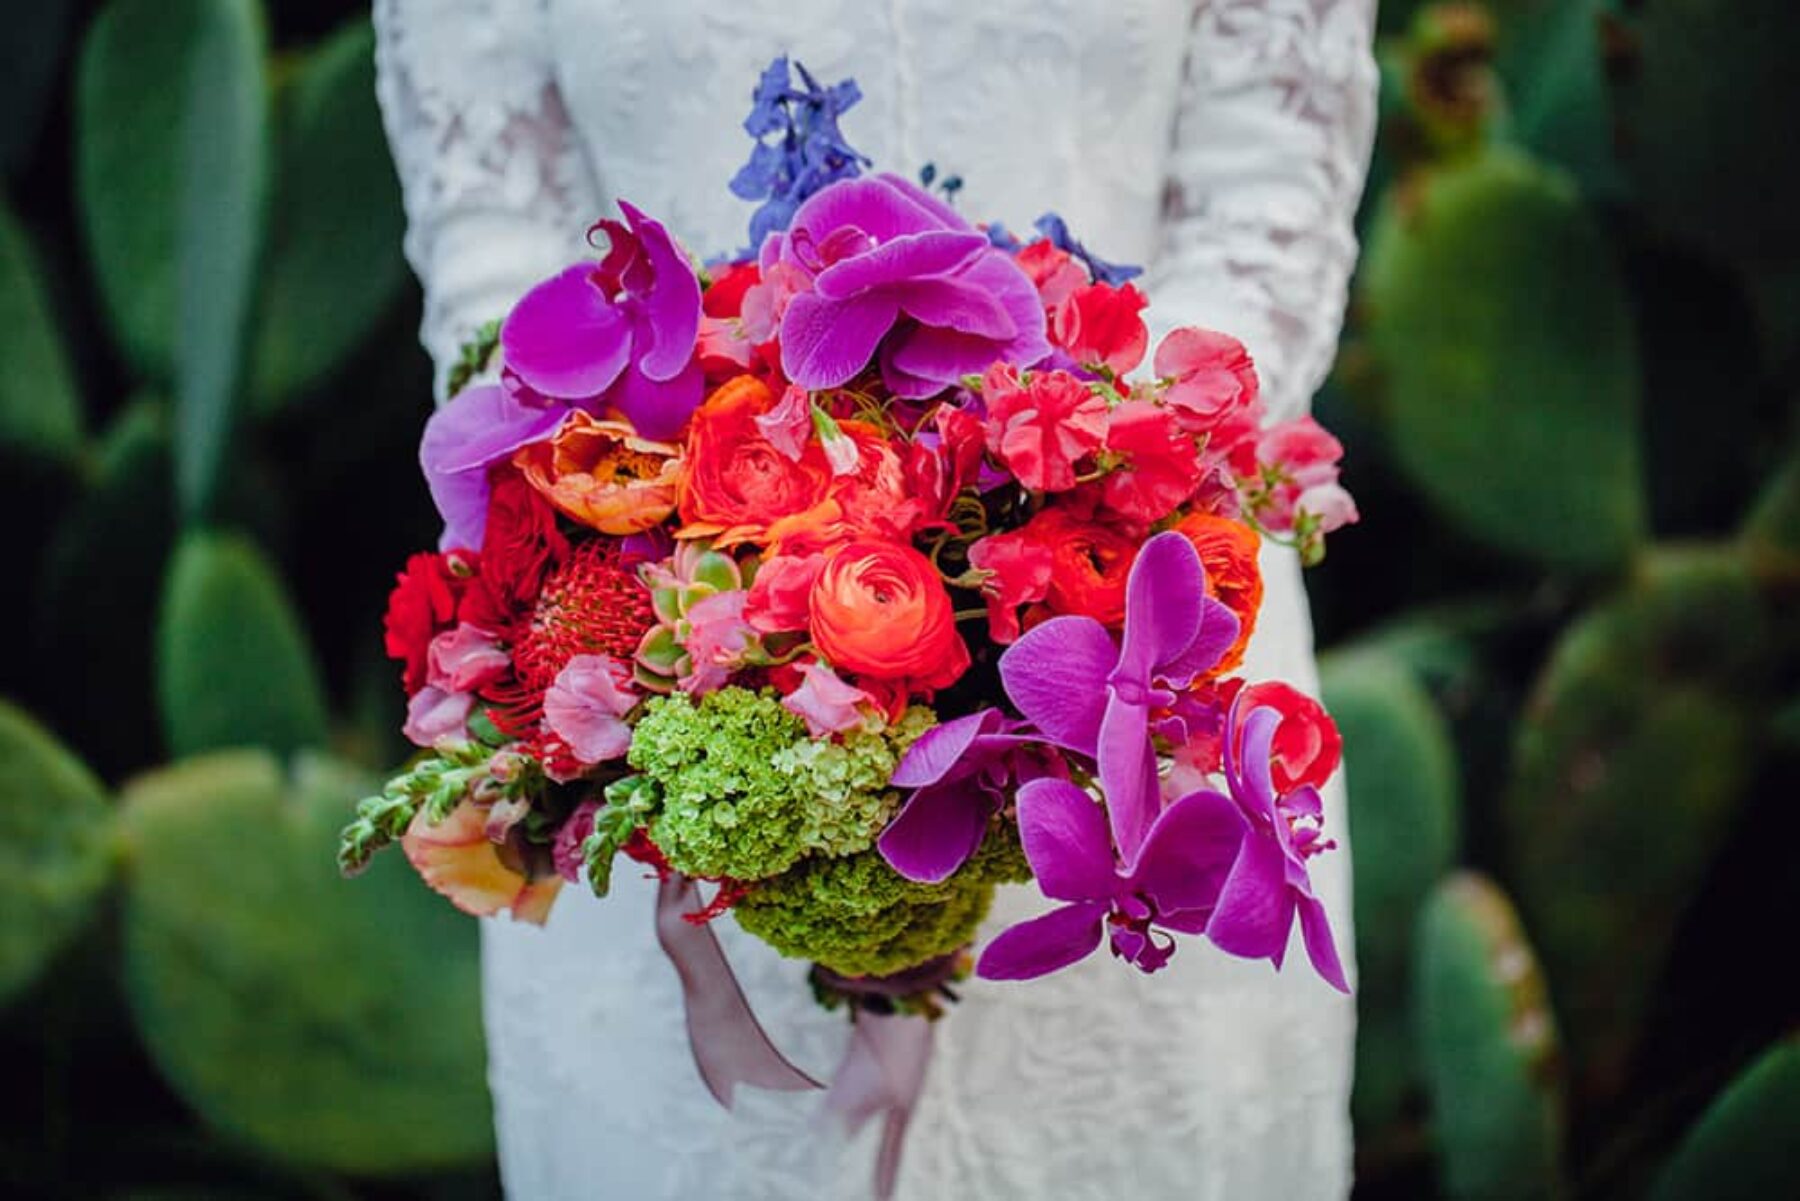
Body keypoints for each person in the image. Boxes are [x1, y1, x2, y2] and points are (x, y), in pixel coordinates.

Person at [374, 3, 1378, 1197]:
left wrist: (1053, 502)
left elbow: (1265, 198)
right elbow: (498, 242)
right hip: (657, 707)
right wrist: (723, 614)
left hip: (1141, 700)